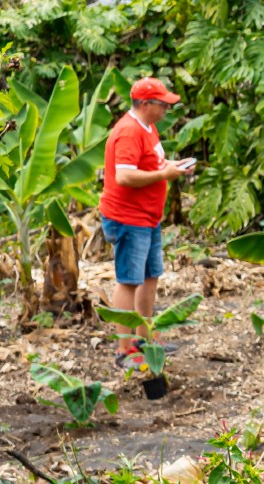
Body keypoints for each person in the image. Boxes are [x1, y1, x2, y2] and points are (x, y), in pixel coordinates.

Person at [100, 78, 193, 370]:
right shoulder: (128, 132)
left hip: (148, 216)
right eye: (162, 104)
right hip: (128, 217)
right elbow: (124, 176)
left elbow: (150, 165)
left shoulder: (149, 129)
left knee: (150, 275)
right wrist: (164, 175)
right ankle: (124, 349)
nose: (167, 108)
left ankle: (145, 338)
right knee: (128, 280)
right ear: (145, 104)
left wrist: (172, 167)